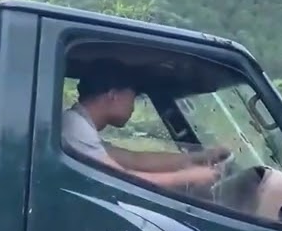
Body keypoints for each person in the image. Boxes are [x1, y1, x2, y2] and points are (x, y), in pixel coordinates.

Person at [61, 62, 228, 190]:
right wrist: (189, 178)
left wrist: (200, 157)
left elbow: (134, 160)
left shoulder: (80, 126)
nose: (133, 107)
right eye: (133, 98)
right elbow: (122, 180)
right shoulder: (75, 127)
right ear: (113, 95)